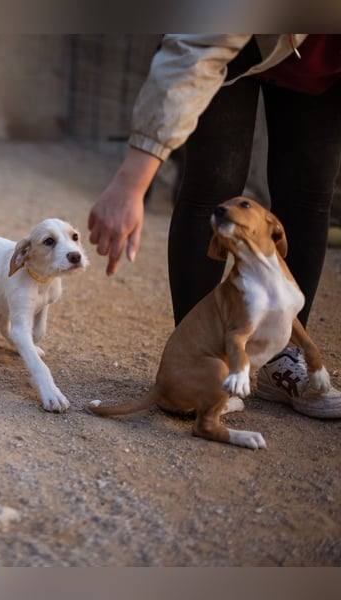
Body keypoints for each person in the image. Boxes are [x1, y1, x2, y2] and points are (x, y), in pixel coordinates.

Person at [88, 34, 341, 418]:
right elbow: (194, 52)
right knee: (215, 185)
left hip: (317, 69)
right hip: (230, 44)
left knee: (309, 192)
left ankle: (281, 356)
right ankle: (195, 365)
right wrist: (132, 181)